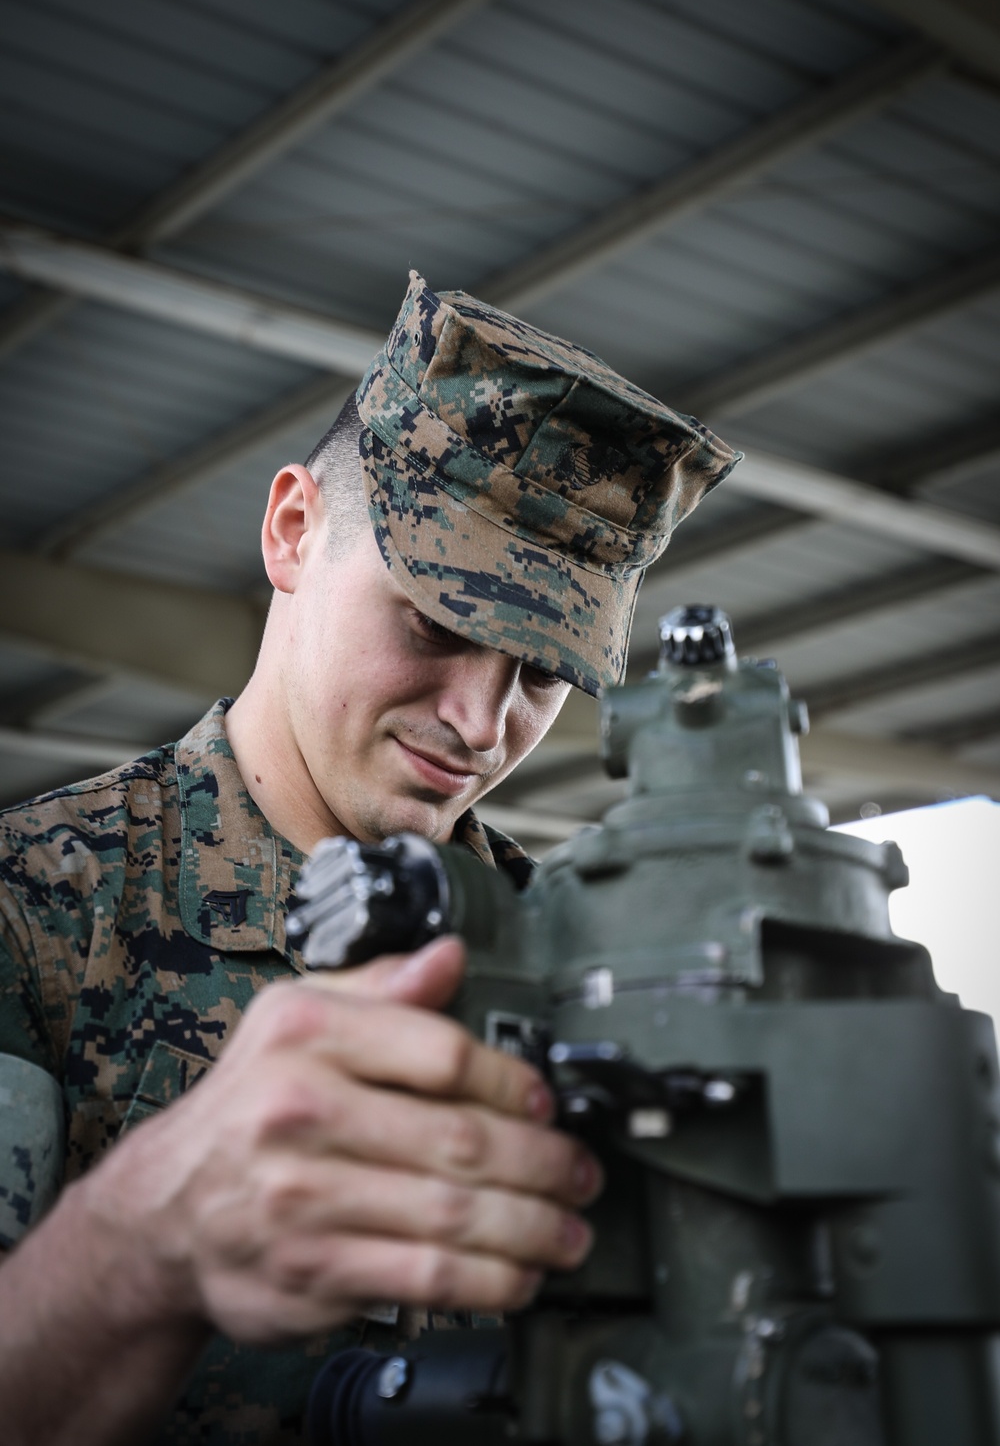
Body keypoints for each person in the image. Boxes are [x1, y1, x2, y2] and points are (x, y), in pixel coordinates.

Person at [0, 272, 738, 1444]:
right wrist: (141, 1242)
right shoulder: (40, 906)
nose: (481, 723)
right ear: (294, 530)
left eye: (543, 672)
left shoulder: (586, 955)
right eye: (438, 624)